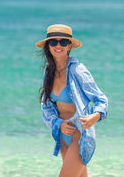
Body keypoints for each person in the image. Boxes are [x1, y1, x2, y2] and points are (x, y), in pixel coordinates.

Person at [36, 24, 108, 177]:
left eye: (63, 42)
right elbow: (46, 106)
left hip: (79, 135)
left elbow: (101, 99)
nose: (58, 45)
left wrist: (95, 116)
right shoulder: (48, 71)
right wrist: (58, 124)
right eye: (53, 42)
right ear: (48, 46)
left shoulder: (78, 70)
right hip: (62, 133)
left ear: (69, 46)